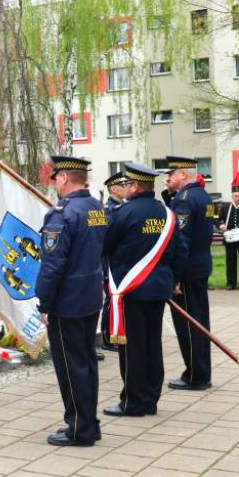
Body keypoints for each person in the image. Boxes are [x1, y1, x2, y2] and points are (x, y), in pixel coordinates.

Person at [103, 163, 187, 417]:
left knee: (133, 347)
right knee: (152, 344)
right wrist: (174, 279)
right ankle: (150, 398)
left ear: (136, 186)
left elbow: (105, 245)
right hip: (158, 289)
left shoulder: (124, 213)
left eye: (128, 184)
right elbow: (180, 251)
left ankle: (133, 401)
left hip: (131, 289)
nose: (126, 188)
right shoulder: (167, 213)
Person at [36, 155, 106, 447]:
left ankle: (80, 427)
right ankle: (89, 422)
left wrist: (44, 303)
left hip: (67, 302)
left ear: (64, 178)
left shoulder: (62, 214)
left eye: (55, 179)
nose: (54, 184)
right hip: (90, 296)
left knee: (71, 366)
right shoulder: (96, 208)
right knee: (87, 362)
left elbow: (52, 266)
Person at [162, 156, 214, 392]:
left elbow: (180, 240)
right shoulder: (204, 196)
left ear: (183, 175)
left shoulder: (183, 201)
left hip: (187, 273)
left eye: (171, 174)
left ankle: (195, 375)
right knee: (201, 321)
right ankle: (202, 371)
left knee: (189, 326)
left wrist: (175, 277)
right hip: (201, 265)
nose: (167, 178)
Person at [100, 171, 129, 353]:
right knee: (111, 300)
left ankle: (117, 330)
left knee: (119, 300)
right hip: (109, 262)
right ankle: (107, 337)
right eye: (123, 185)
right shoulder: (108, 210)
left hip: (122, 262)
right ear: (113, 189)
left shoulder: (124, 208)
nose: (126, 188)